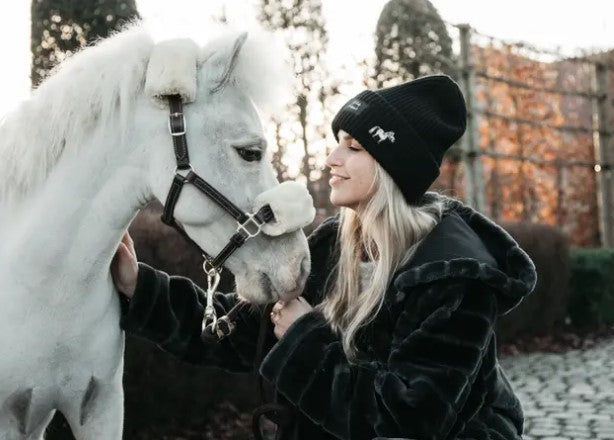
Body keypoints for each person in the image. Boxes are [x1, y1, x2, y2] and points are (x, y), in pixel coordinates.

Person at [112, 74, 537, 440]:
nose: (332, 159)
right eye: (337, 143)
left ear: (394, 166)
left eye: (354, 147)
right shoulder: (333, 244)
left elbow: (408, 418)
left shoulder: (453, 278)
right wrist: (140, 287)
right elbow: (244, 334)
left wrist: (303, 338)